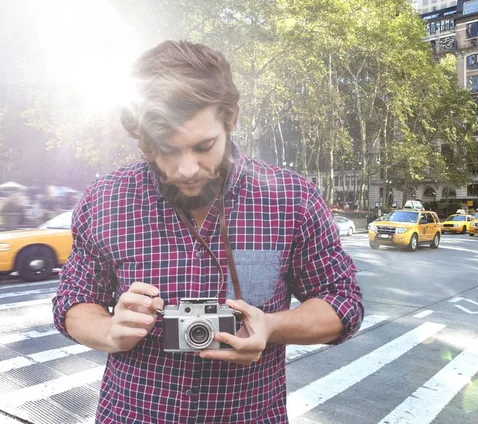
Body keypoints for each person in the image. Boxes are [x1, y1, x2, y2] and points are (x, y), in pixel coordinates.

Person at [52, 40, 363, 423]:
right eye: (166, 149)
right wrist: (107, 331)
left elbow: (342, 302)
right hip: (130, 414)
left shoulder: (292, 198)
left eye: (203, 146)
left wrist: (271, 326)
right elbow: (73, 301)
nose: (186, 169)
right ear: (143, 137)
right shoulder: (105, 200)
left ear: (231, 119)